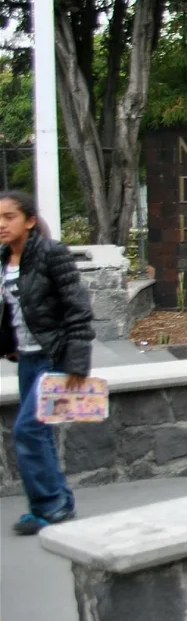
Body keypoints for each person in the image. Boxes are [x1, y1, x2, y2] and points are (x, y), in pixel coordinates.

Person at [0, 191, 94, 534]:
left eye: (9, 217)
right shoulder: (2, 259)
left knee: (28, 430)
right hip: (26, 359)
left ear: (28, 221)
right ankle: (59, 503)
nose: (1, 224)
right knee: (39, 434)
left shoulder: (51, 254)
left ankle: (48, 506)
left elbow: (78, 309)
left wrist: (77, 365)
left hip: (54, 356)